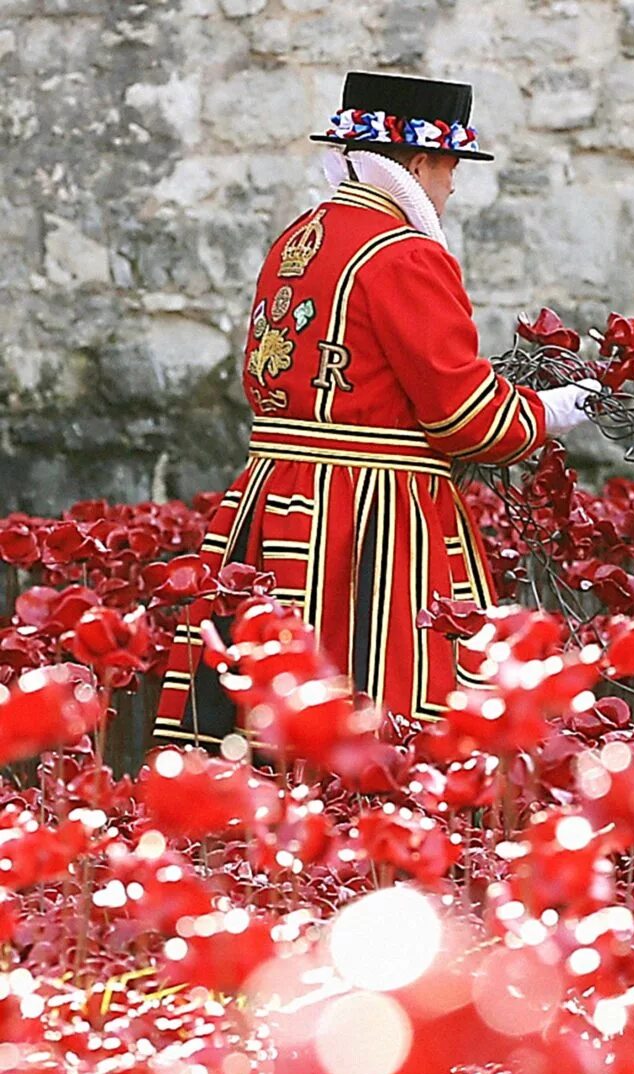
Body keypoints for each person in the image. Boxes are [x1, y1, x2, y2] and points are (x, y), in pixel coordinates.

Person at [154, 71, 595, 748]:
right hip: (372, 515)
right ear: (420, 163)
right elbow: (463, 415)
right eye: (450, 168)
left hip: (274, 498)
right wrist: (550, 411)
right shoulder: (407, 256)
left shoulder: (299, 238)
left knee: (268, 704)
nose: (452, 188)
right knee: (382, 699)